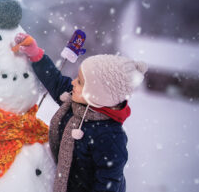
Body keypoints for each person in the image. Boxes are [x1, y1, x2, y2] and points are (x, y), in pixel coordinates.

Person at [13, 33, 147, 192]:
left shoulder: (110, 137)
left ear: (98, 94)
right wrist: (36, 54)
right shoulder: (76, 99)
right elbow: (55, 81)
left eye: (81, 82)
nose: (73, 82)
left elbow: (109, 182)